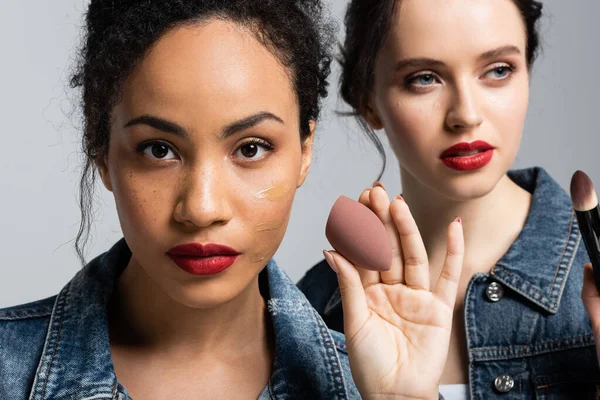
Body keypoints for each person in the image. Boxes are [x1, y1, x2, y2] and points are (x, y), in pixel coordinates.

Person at [0, 1, 466, 399]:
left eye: (250, 148)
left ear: (305, 153)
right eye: (159, 150)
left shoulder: (362, 384)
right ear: (103, 155)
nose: (202, 209)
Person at [299, 0, 600, 398]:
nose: (466, 114)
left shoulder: (589, 273)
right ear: (367, 99)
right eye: (424, 78)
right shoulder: (313, 316)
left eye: (498, 70)